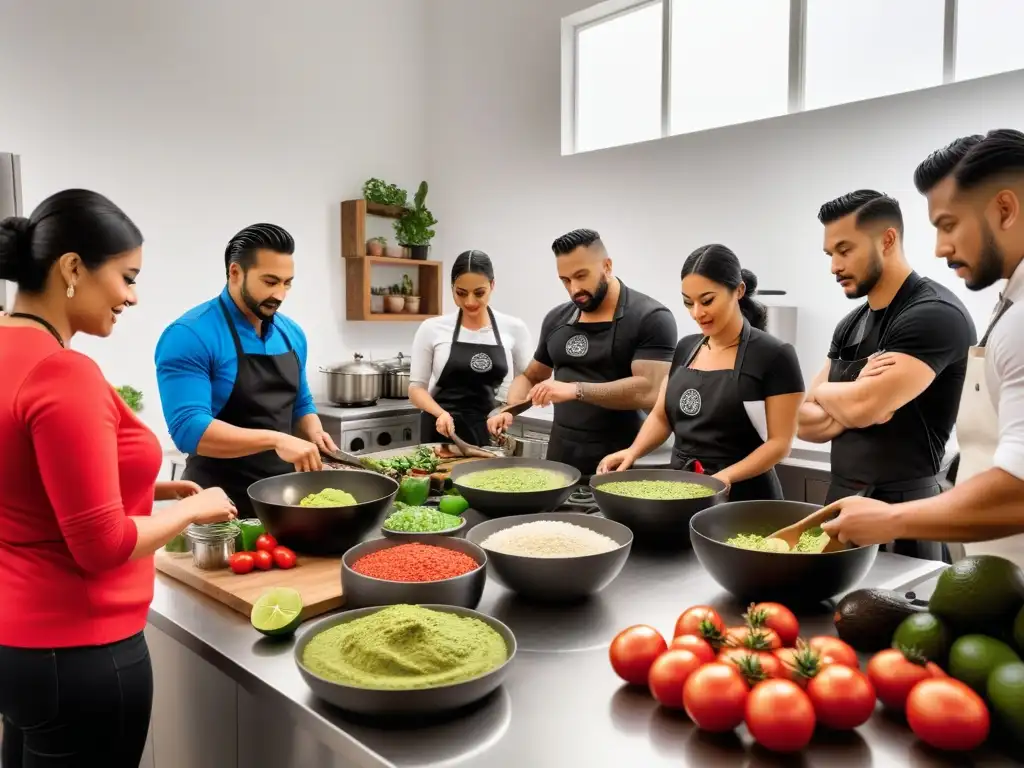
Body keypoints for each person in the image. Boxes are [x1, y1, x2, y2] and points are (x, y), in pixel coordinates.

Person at [0, 190, 236, 768]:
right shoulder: (64, 372)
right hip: (81, 649)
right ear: (73, 268)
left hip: (15, 644)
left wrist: (151, 490)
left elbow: (20, 475)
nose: (132, 296)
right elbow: (101, 545)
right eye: (127, 277)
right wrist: (192, 508)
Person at [823, 130, 1024, 560]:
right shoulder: (1009, 307)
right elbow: (815, 417)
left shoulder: (945, 314)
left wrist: (892, 519)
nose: (939, 247)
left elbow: (1019, 489)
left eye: (948, 224)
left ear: (1005, 209)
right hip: (995, 575)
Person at [798, 190, 977, 561]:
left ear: (888, 240)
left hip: (904, 516)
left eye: (845, 250)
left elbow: (866, 406)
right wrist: (852, 396)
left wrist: (832, 395)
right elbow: (803, 423)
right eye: (830, 254)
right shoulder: (850, 325)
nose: (834, 266)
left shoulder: (932, 315)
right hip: (840, 509)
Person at [155, 224, 336, 518]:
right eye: (269, 281)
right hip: (218, 505)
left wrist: (313, 431)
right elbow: (189, 430)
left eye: (287, 283)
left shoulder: (292, 334)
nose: (280, 294)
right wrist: (277, 439)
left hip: (284, 498)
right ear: (235, 272)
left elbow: (300, 403)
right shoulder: (190, 334)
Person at [597, 245, 805, 499]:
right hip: (684, 489)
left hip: (745, 496)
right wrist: (633, 452)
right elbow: (662, 416)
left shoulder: (775, 355)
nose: (697, 312)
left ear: (738, 291)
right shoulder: (686, 348)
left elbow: (780, 444)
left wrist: (723, 477)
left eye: (707, 301)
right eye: (688, 303)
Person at [502, 228, 678, 478]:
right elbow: (531, 376)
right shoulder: (557, 320)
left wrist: (575, 389)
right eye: (565, 280)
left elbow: (649, 390)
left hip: (620, 463)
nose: (574, 289)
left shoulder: (650, 318)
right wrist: (510, 411)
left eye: (581, 276)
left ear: (607, 266)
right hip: (560, 461)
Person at [409, 250, 533, 446]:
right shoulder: (432, 328)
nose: (470, 302)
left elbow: (529, 381)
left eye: (479, 293)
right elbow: (416, 389)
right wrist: (440, 414)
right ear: (452, 289)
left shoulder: (514, 328)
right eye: (461, 293)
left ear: (492, 285)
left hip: (490, 432)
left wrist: (507, 412)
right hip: (441, 432)